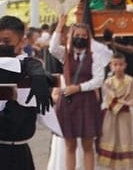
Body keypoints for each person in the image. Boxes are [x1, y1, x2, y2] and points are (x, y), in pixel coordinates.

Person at [0, 15, 53, 170]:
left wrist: (36, 68)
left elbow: (23, 62)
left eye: (7, 41)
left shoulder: (29, 66)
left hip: (19, 152)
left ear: (22, 41)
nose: (1, 45)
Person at [49, 17, 109, 170]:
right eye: (77, 35)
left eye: (84, 36)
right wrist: (60, 25)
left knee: (88, 144)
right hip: (68, 103)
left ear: (88, 38)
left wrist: (79, 88)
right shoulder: (65, 54)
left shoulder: (95, 56)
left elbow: (98, 80)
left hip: (87, 101)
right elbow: (52, 48)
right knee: (70, 144)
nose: (80, 38)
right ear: (71, 36)